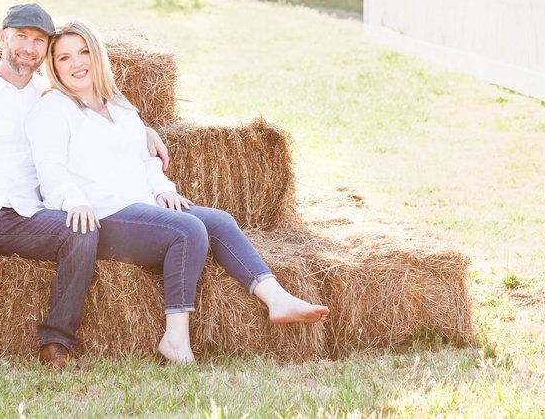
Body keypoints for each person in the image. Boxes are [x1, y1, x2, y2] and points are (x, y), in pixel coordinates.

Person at [26, 19, 329, 364]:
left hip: (140, 207)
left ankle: (276, 298)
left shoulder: (120, 106)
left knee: (217, 221)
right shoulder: (53, 108)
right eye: (64, 58)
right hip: (97, 217)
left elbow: (145, 160)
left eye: (83, 53)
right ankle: (175, 339)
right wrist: (74, 200)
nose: (76, 63)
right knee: (186, 229)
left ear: (98, 56)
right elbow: (49, 169)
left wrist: (162, 190)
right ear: (54, 67)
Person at [0, 3, 169, 373]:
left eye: (39, 40)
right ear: (2, 36)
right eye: (21, 35)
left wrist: (145, 131)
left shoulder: (52, 96)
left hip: (29, 218)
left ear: (46, 51)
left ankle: (56, 342)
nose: (29, 46)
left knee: (82, 230)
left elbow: (105, 109)